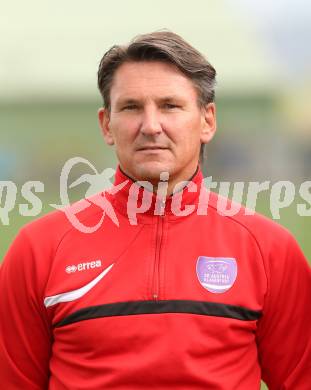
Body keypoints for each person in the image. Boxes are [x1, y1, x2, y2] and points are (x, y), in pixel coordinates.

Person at [0, 30, 310, 390]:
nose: (150, 126)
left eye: (170, 106)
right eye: (131, 107)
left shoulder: (269, 251)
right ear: (106, 125)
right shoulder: (39, 250)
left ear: (207, 120)